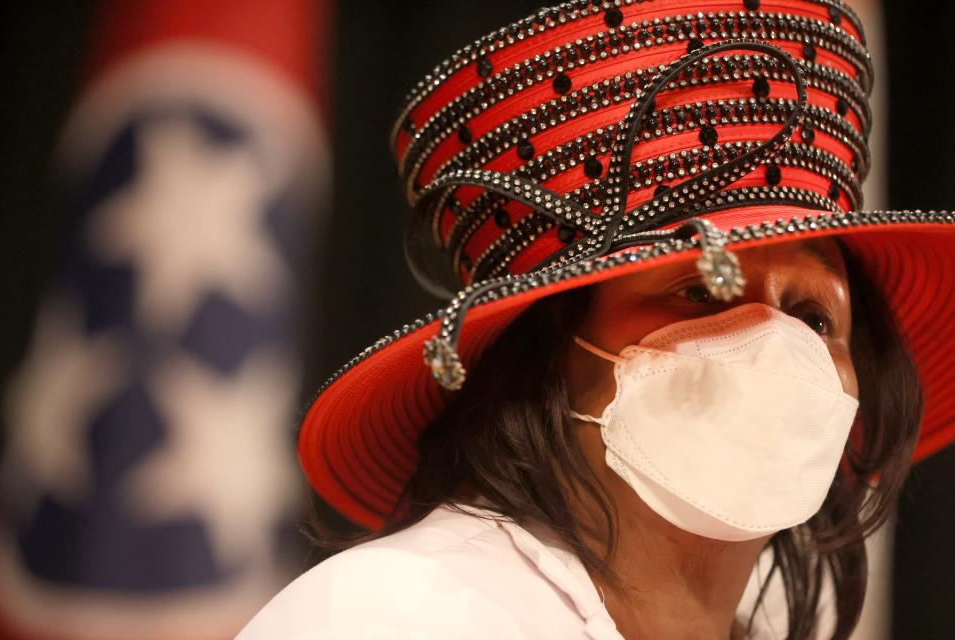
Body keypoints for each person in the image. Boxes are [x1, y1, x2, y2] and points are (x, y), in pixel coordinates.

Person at [239, 1, 955, 638]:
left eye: (814, 318)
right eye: (700, 294)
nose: (774, 344)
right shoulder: (390, 616)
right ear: (547, 348)